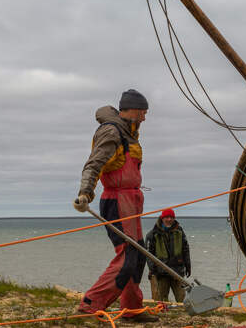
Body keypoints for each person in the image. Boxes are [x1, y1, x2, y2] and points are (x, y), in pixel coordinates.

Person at [73, 89, 158, 323]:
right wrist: (85, 192)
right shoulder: (112, 131)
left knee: (138, 255)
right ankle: (90, 304)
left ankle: (132, 308)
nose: (144, 118)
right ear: (132, 110)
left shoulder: (129, 133)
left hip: (132, 200)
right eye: (143, 112)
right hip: (117, 201)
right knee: (127, 256)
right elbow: (94, 163)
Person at [145, 209, 191, 302]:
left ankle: (182, 315)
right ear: (162, 218)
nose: (169, 219)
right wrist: (153, 270)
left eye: (171, 217)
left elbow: (185, 249)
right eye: (167, 217)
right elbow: (148, 254)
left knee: (183, 300)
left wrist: (188, 266)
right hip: (161, 273)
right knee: (161, 301)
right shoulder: (152, 234)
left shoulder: (179, 232)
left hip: (177, 272)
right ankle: (163, 315)